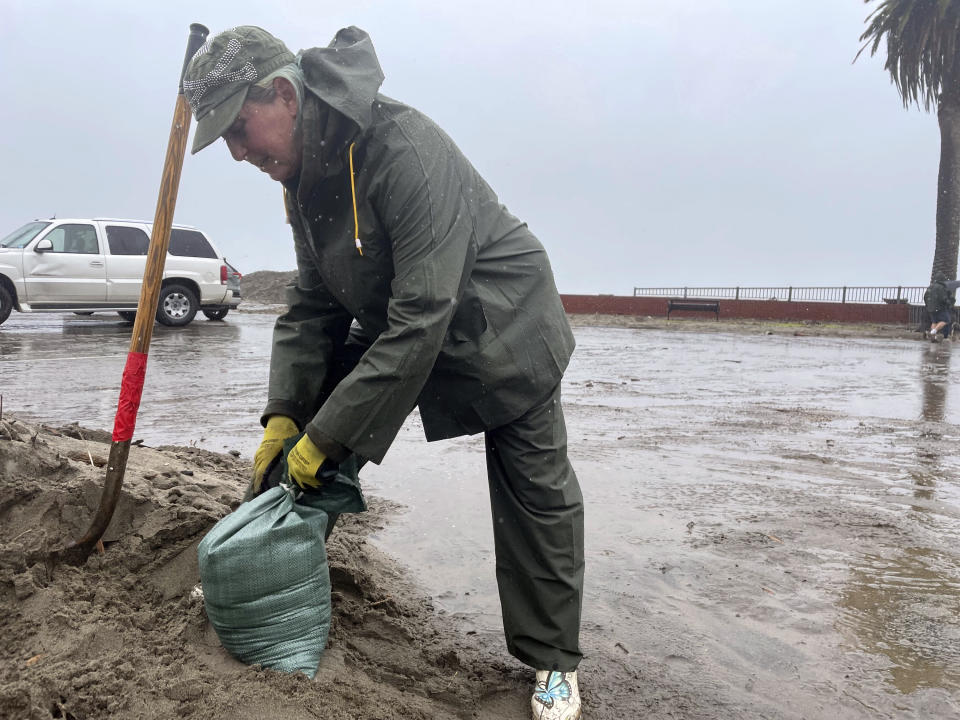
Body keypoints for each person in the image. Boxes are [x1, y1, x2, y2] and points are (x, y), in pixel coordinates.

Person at [183, 26, 585, 720]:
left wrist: (328, 439)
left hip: (503, 322)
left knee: (533, 495)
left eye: (241, 130)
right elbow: (312, 303)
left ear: (282, 95)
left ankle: (552, 664)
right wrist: (287, 416)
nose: (240, 152)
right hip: (403, 313)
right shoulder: (300, 176)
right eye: (227, 141)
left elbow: (424, 316)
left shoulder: (405, 150)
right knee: (301, 434)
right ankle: (264, 570)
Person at [923, 272, 960, 342]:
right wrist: (949, 304)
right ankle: (932, 332)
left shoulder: (930, 287)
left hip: (930, 308)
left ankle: (933, 337)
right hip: (939, 308)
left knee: (934, 322)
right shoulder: (941, 287)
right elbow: (943, 298)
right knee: (946, 320)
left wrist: (928, 305)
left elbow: (925, 297)